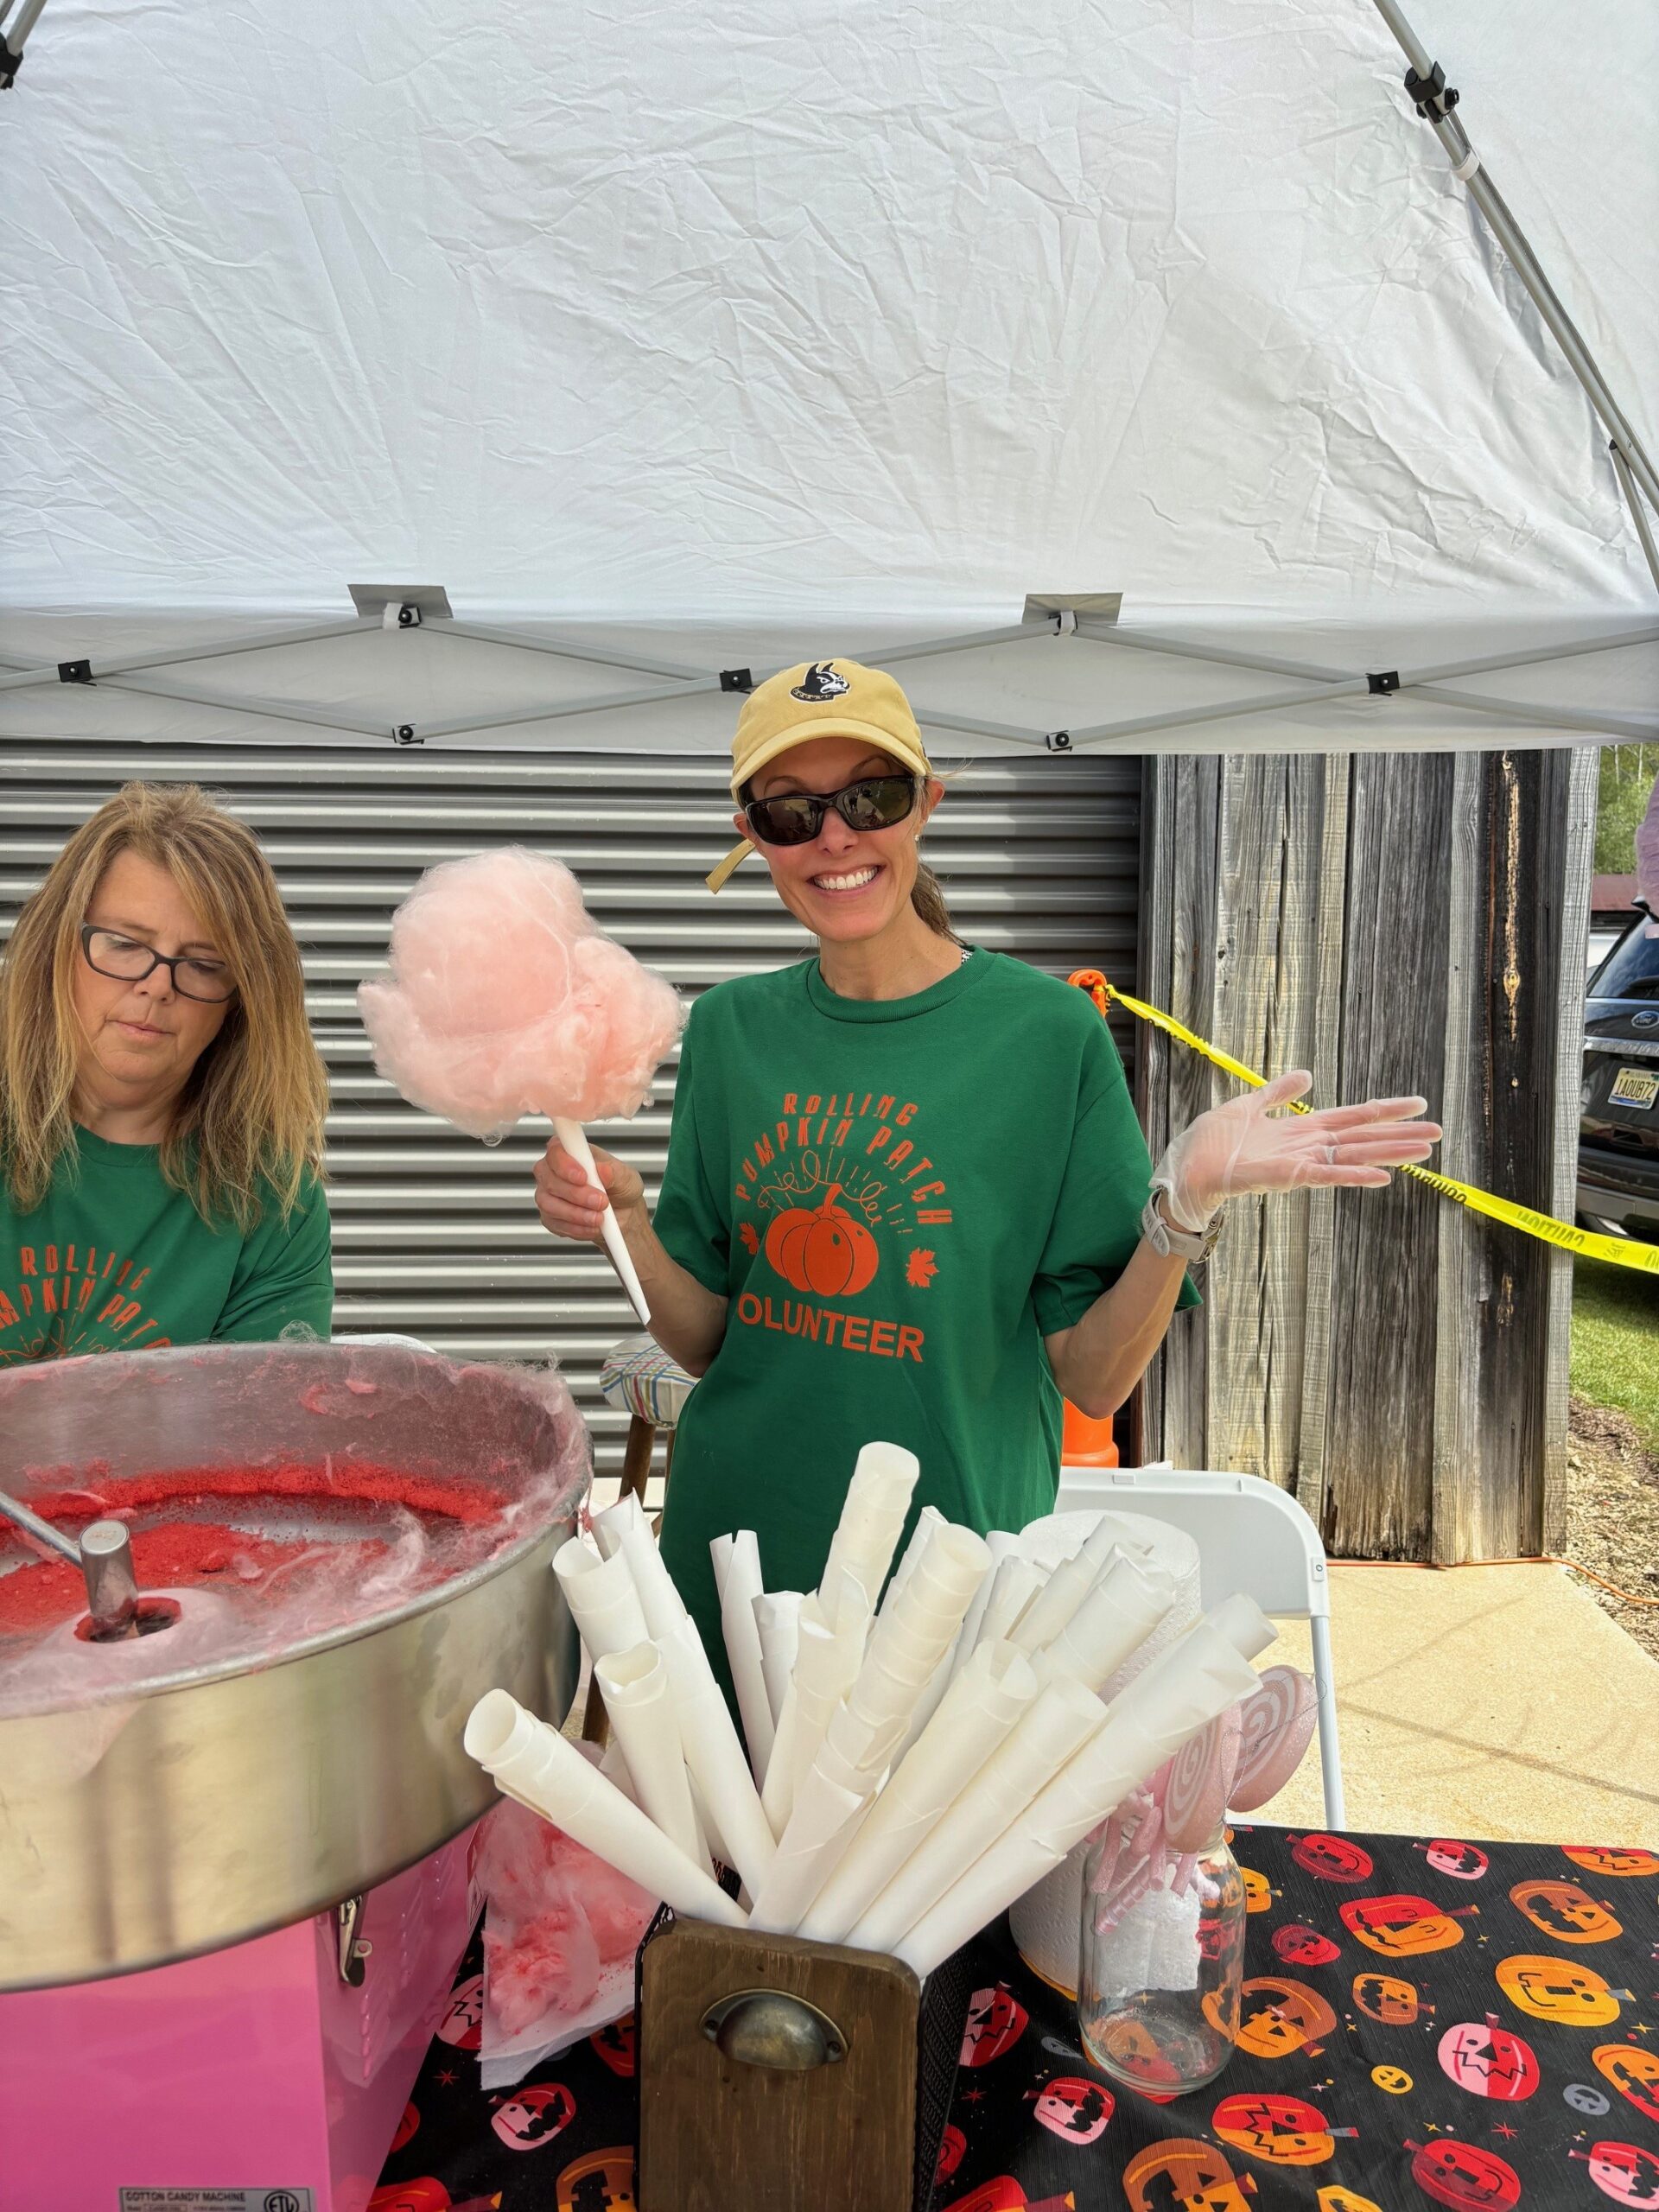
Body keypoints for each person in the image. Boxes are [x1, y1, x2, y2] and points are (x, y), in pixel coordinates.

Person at [534, 660, 1439, 1670]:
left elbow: (1093, 1378)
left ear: (926, 803)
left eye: (870, 798)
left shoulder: (1047, 1035)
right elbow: (705, 1341)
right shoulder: (730, 1029)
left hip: (947, 1578)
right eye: (792, 812)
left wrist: (1183, 1203)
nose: (835, 837)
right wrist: (624, 1221)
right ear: (753, 835)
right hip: (735, 1552)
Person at [0, 782, 332, 1361]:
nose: (157, 986)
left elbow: (265, 1414)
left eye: (203, 964)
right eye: (124, 943)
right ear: (56, 947)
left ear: (240, 1000)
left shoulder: (274, 1201)